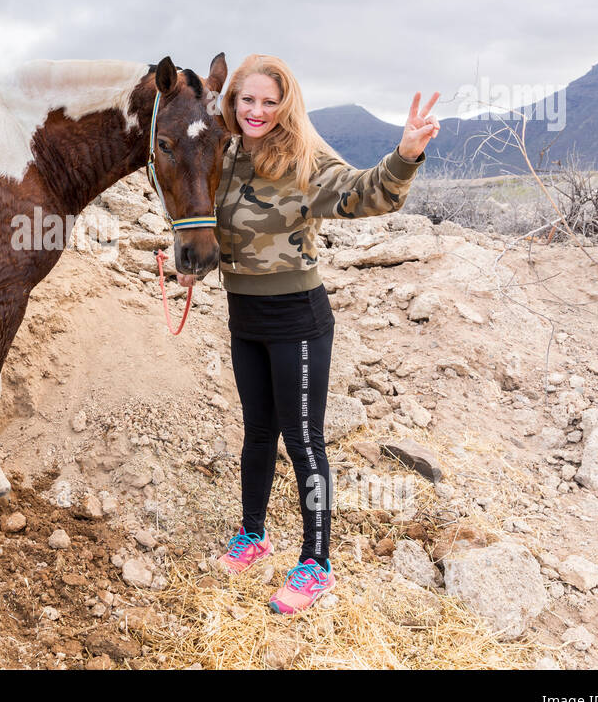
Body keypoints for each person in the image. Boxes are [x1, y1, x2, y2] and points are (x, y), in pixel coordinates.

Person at [178, 53, 440, 614]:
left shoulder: (303, 159)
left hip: (297, 318)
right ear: (232, 102)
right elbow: (208, 222)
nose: (256, 110)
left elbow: (370, 193)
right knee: (255, 434)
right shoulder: (222, 154)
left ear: (285, 105)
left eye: (269, 102)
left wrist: (406, 156)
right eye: (247, 99)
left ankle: (317, 564)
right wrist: (186, 259)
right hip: (243, 316)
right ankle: (253, 535)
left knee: (303, 442)